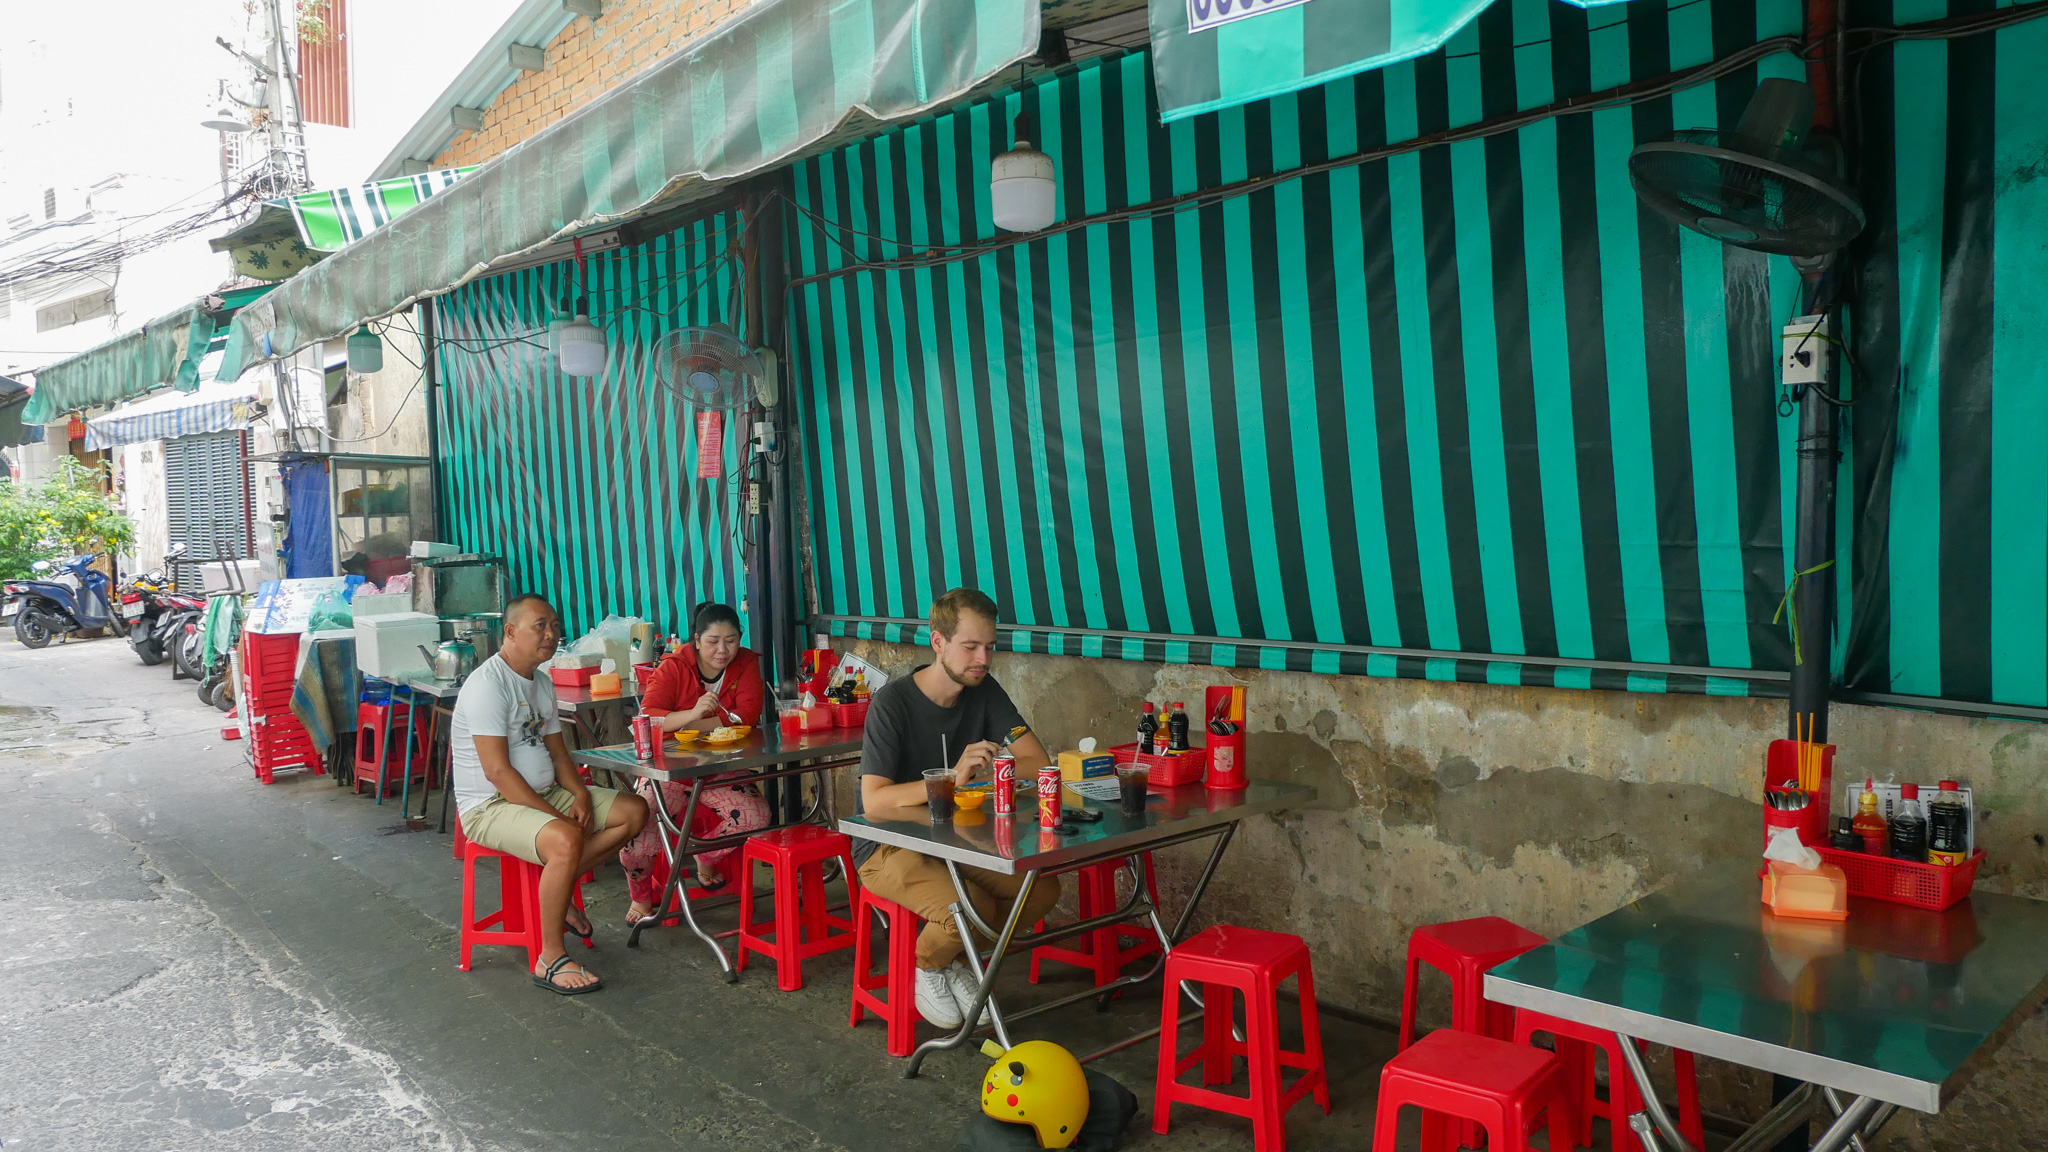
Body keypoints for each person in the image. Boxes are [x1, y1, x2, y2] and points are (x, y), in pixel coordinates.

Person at [853, 588, 1061, 1029]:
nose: (982, 659)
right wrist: (951, 777)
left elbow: (1037, 761)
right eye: (970, 647)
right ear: (938, 642)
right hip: (886, 847)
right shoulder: (891, 704)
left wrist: (983, 773)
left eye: (990, 647)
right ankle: (928, 964)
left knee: (1042, 891)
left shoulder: (983, 691)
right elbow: (874, 800)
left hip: (958, 838)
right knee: (969, 908)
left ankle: (954, 959)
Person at [451, 593, 647, 994]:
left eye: (554, 625)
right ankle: (550, 957)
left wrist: (576, 793)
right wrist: (559, 818)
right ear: (510, 632)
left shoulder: (540, 681)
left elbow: (559, 752)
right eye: (539, 625)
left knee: (634, 809)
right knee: (566, 837)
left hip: (543, 792)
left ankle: (556, 889)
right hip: (489, 806)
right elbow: (498, 772)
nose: (551, 634)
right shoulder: (489, 685)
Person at [618, 602, 770, 921]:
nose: (722, 649)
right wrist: (693, 714)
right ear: (697, 640)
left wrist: (690, 726)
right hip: (669, 772)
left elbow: (748, 716)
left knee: (757, 817)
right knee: (637, 831)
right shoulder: (673, 667)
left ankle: (704, 856)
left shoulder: (746, 663)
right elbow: (647, 718)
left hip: (719, 769)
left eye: (731, 640)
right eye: (713, 641)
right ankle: (642, 896)